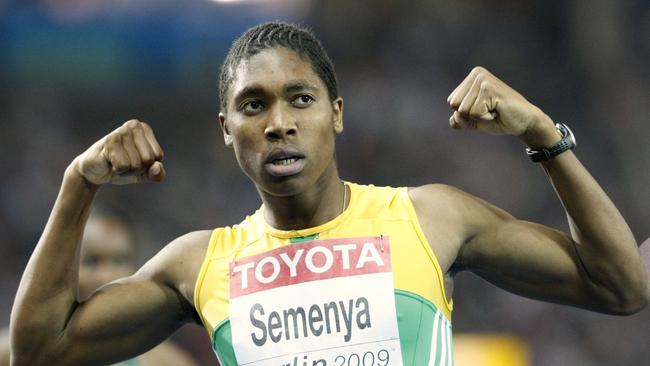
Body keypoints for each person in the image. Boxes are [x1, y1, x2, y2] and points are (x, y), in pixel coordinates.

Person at [9, 21, 648, 366]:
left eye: (302, 99)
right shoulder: (198, 263)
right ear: (226, 131)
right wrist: (77, 185)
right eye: (252, 105)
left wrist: (543, 134)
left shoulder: (429, 217)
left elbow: (622, 287)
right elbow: (38, 352)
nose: (278, 121)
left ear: (336, 114)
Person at [1, 213, 196, 366]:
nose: (108, 275)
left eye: (119, 260)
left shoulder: (167, 362)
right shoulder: (15, 354)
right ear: (62, 271)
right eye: (92, 261)